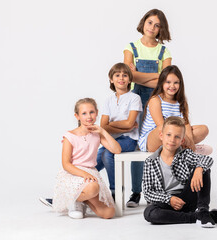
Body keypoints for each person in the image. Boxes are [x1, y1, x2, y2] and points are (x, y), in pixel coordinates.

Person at [123, 9, 172, 207]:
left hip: (158, 101)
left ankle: (159, 190)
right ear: (143, 23)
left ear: (161, 29)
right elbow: (128, 76)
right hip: (136, 100)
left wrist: (141, 76)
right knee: (136, 145)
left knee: (159, 143)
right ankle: (136, 192)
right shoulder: (131, 47)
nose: (152, 27)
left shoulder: (164, 51)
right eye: (150, 22)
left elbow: (166, 81)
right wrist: (155, 77)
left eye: (157, 25)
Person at [142, 116, 217, 227]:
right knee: (149, 213)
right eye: (168, 135)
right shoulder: (150, 162)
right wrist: (168, 199)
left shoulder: (185, 155)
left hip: (187, 199)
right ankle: (195, 217)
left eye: (177, 137)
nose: (172, 140)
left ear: (182, 140)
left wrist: (198, 170)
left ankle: (203, 210)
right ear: (161, 136)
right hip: (167, 202)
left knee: (203, 167)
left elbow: (207, 159)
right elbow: (148, 192)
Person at [52, 98, 121, 219]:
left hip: (91, 174)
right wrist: (83, 174)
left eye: (91, 112)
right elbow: (66, 164)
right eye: (84, 113)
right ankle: (73, 200)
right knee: (93, 187)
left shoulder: (97, 134)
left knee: (109, 213)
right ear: (77, 116)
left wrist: (103, 131)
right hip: (74, 173)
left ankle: (83, 200)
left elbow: (117, 150)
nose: (89, 116)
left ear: (97, 112)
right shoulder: (70, 136)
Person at [95, 63, 142, 205]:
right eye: (117, 75)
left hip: (129, 139)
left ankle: (115, 193)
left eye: (125, 75)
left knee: (107, 153)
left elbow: (130, 124)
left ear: (129, 80)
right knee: (90, 164)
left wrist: (113, 126)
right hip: (111, 140)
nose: (121, 78)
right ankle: (73, 193)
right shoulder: (108, 100)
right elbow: (103, 126)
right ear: (111, 79)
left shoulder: (134, 98)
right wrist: (123, 126)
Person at [139, 65, 212, 154]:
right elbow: (163, 127)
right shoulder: (155, 100)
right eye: (168, 82)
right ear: (162, 83)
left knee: (203, 129)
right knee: (163, 128)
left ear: (180, 84)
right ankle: (186, 148)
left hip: (174, 137)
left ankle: (187, 147)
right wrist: (187, 138)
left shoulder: (181, 102)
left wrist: (191, 141)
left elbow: (186, 124)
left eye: (176, 82)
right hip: (154, 139)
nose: (172, 86)